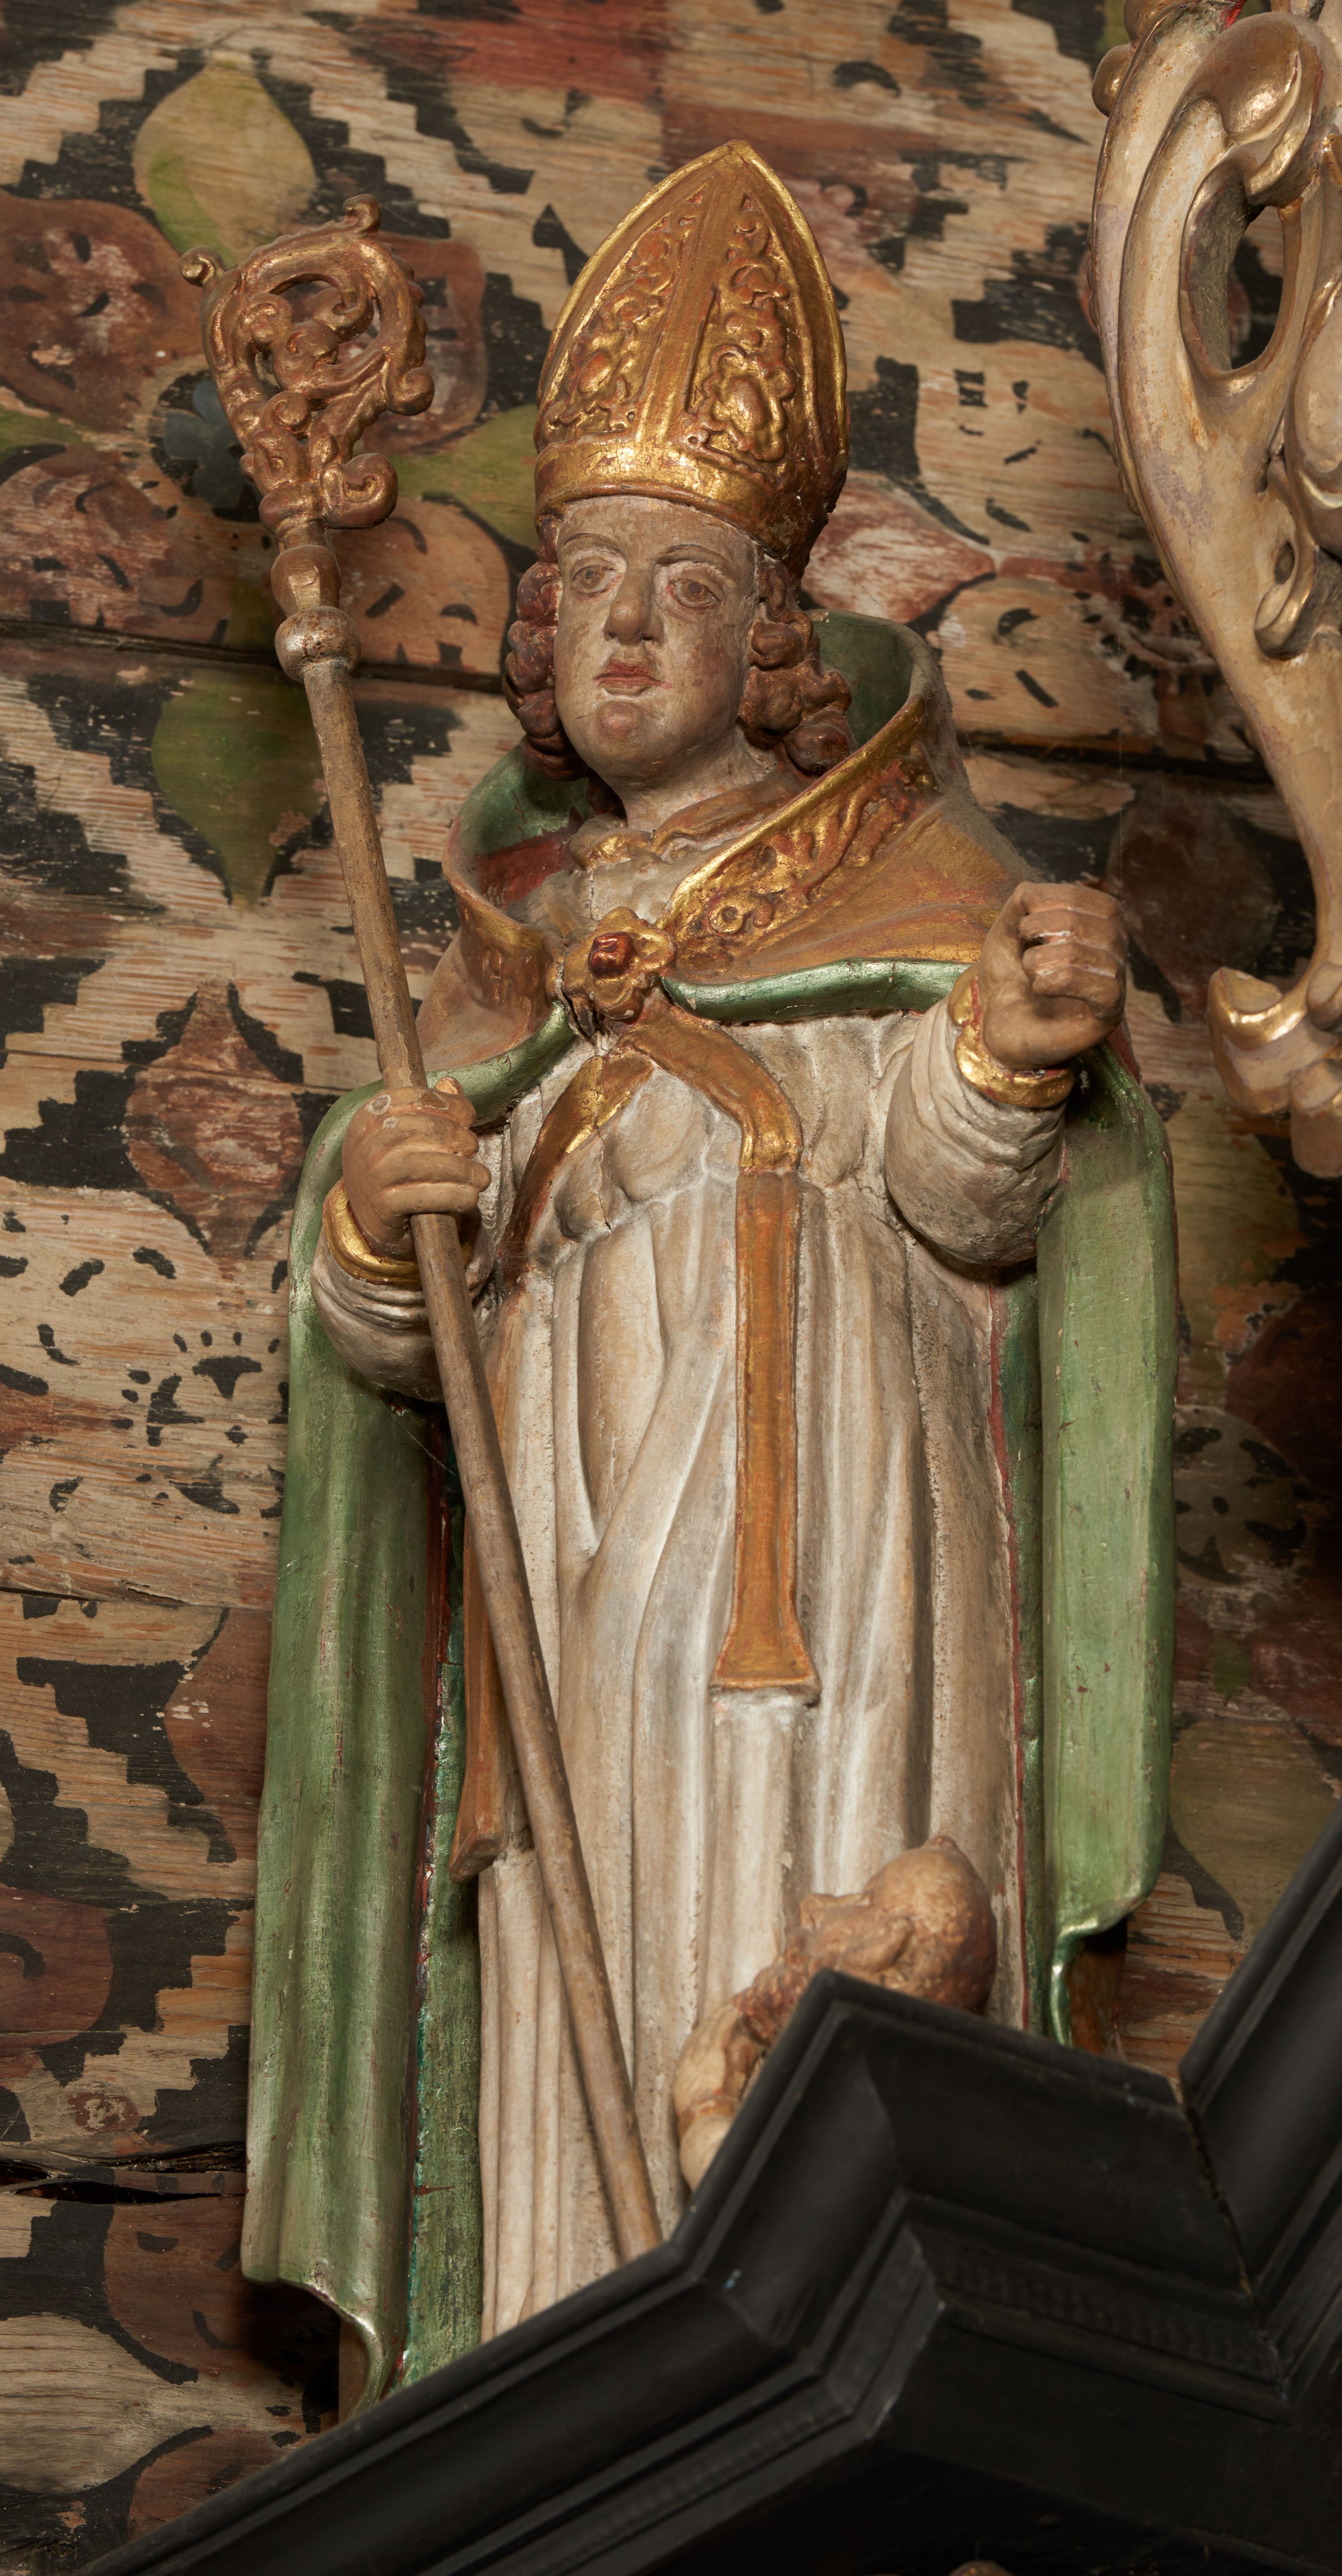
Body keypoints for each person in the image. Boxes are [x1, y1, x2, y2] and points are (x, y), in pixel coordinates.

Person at [243, 141, 1174, 2400]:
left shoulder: (912, 891)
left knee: (804, 1885)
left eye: (684, 582)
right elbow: (399, 1352)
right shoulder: (493, 970)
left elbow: (969, 1208)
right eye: (588, 581)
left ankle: (807, 2365)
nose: (629, 626)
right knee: (584, 1921)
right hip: (566, 1562)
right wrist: (378, 1223)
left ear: (773, 634)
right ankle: (578, 2368)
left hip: (827, 1545)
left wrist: (1005, 1052)